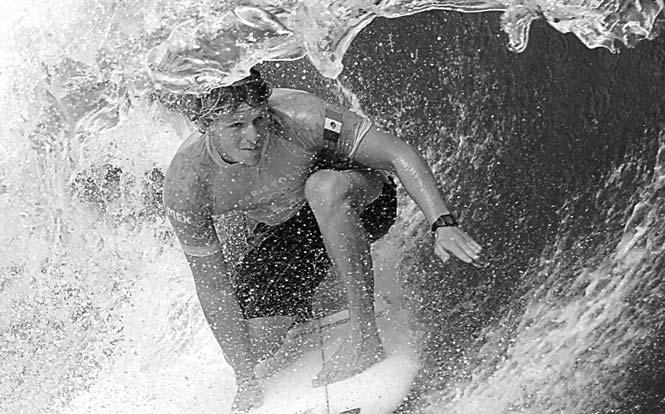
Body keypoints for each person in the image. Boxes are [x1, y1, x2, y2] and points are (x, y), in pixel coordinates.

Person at [162, 68, 482, 412]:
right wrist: (245, 377)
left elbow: (396, 153)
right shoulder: (187, 184)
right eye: (236, 126)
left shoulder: (301, 116)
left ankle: (364, 336)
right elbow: (213, 286)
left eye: (259, 119)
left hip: (359, 199)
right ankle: (307, 299)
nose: (253, 135)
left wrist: (442, 224)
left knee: (323, 188)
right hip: (290, 228)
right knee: (254, 346)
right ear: (206, 124)